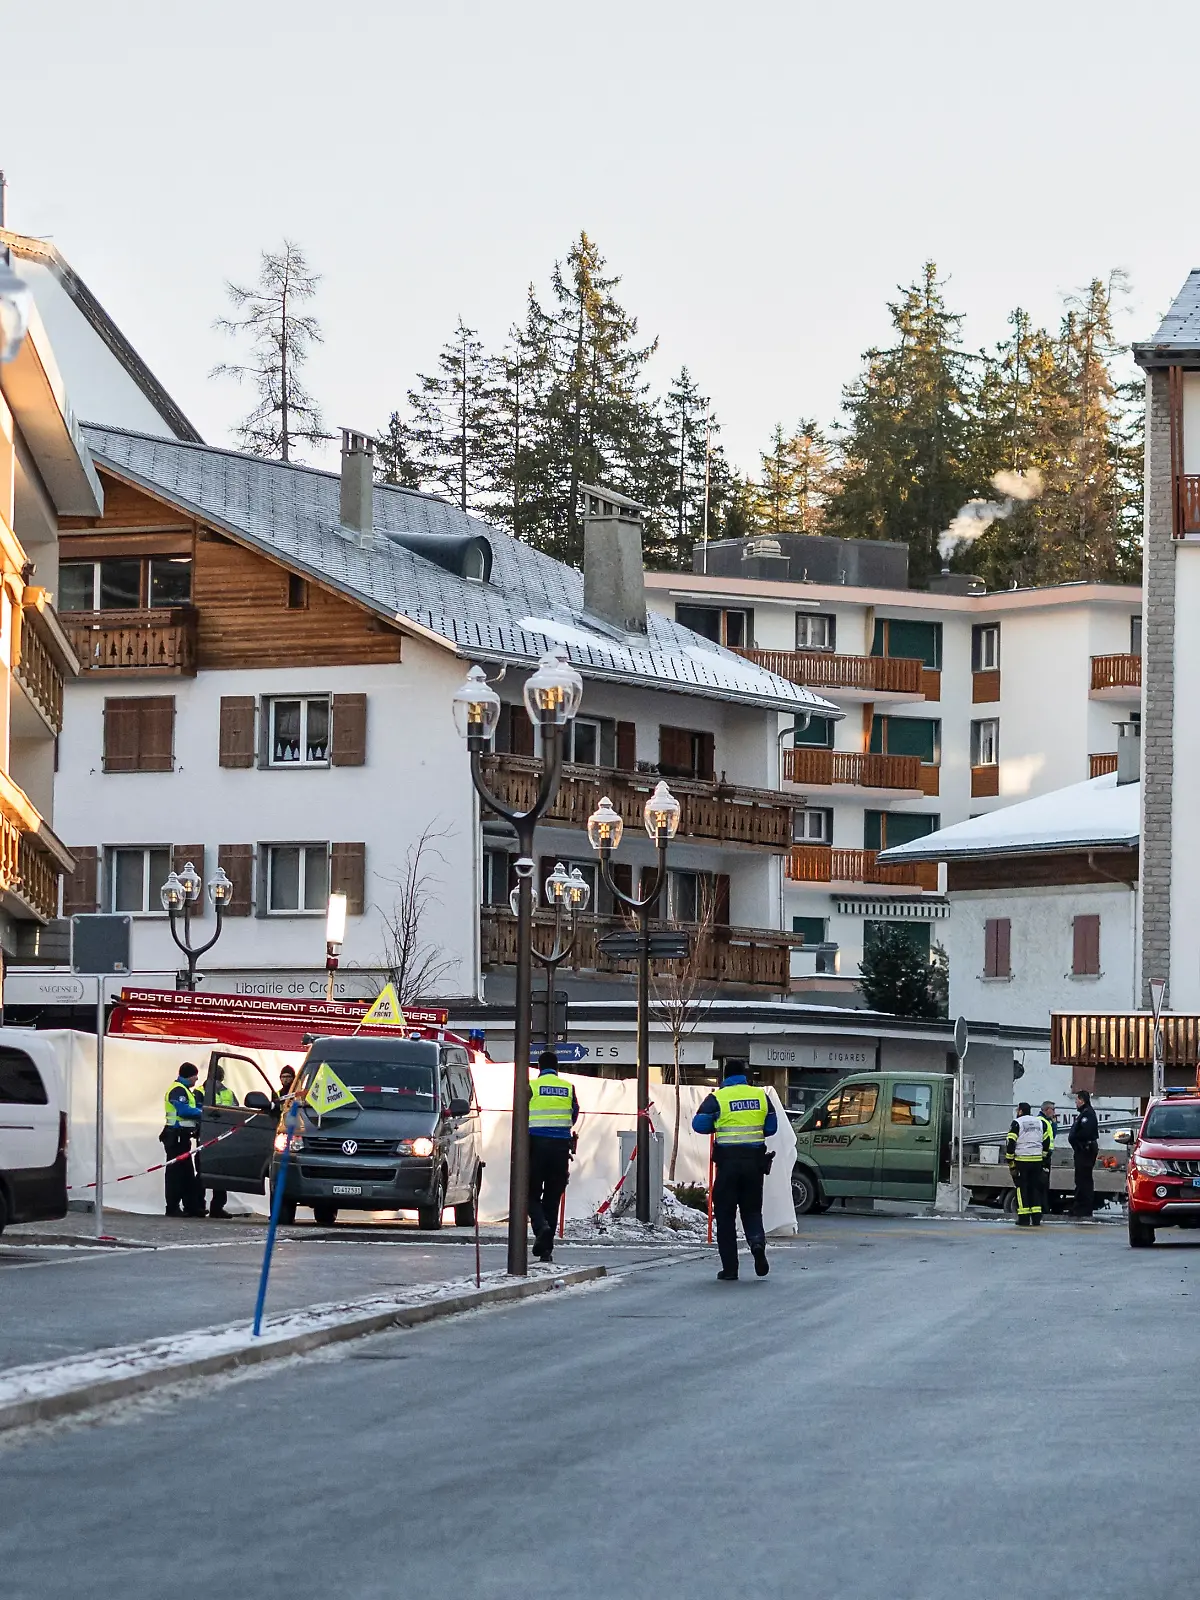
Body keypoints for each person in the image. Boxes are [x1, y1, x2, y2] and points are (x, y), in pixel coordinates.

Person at [692, 1062, 777, 1281]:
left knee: (725, 1215)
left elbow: (698, 1125)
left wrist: (717, 1123)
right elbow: (771, 1127)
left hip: (728, 1164)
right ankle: (757, 1245)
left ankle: (730, 1269)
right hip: (754, 1164)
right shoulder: (760, 1097)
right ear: (744, 1077)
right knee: (751, 1211)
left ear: (725, 1077)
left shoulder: (718, 1098)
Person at [528, 1050, 580, 1263]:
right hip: (560, 1148)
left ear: (539, 1068)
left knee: (529, 1193)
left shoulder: (531, 1087)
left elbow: (520, 1114)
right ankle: (546, 1250)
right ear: (557, 1068)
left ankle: (542, 1228)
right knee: (552, 1196)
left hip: (535, 1147)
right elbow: (574, 1114)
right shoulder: (568, 1088)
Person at [161, 1062, 205, 1218]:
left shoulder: (185, 1090)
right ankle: (172, 1207)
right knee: (175, 1173)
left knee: (186, 1172)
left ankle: (191, 1207)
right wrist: (203, 1112)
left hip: (182, 1137)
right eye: (195, 1076)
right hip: (175, 1137)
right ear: (190, 1075)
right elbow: (183, 1110)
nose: (197, 1079)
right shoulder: (178, 1089)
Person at [1005, 1100, 1052, 1227]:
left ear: (1020, 1111)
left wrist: (1010, 1161)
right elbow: (1047, 1141)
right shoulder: (1040, 1122)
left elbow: (1011, 1142)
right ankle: (1036, 1218)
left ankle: (1024, 1218)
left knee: (1021, 1189)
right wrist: (1042, 1157)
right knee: (1035, 1188)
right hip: (1036, 1160)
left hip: (1022, 1160)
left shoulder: (1017, 1123)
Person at [206, 1065, 238, 1220]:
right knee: (219, 1173)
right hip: (221, 1136)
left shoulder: (201, 1090)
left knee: (205, 1172)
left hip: (209, 1136)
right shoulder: (228, 1092)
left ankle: (199, 1206)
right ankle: (216, 1207)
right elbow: (237, 1110)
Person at [1068, 1088, 1100, 1217]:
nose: (1076, 1102)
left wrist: (1076, 1140)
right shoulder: (1084, 1113)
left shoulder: (1088, 1114)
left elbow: (1085, 1133)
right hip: (1082, 1151)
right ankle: (1079, 1207)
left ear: (1082, 1100)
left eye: (1077, 1099)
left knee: (1084, 1181)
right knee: (1080, 1180)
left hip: (1085, 1151)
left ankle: (1083, 1209)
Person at [1040, 1100, 1057, 1211]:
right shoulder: (1041, 1122)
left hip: (1046, 1156)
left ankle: (1044, 1207)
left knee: (1045, 1183)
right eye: (1053, 1110)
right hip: (1042, 1157)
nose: (1054, 1112)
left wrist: (1054, 1123)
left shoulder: (1048, 1121)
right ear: (1047, 1110)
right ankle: (1042, 1208)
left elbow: (1052, 1136)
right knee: (1042, 1183)